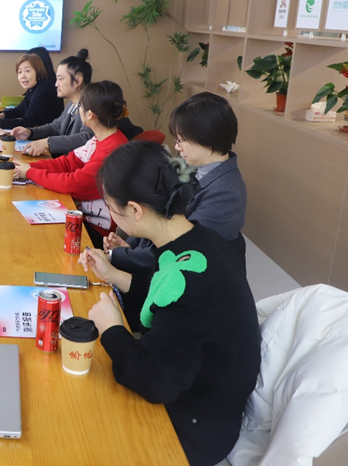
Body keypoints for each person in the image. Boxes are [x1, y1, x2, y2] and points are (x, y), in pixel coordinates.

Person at [80, 140, 261, 466]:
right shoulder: (197, 238)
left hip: (194, 427)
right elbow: (163, 295)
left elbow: (155, 381)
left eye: (110, 206)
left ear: (135, 210)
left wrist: (112, 329)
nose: (110, 213)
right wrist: (114, 275)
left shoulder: (191, 286)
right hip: (195, 388)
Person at [105, 92, 247, 274]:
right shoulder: (189, 167)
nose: (177, 147)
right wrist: (129, 247)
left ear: (205, 137)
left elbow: (180, 247)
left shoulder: (227, 194)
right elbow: (155, 214)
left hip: (192, 277)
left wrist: (119, 255)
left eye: (181, 140)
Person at [13, 80, 130, 243]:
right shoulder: (100, 139)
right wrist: (26, 167)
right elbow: (67, 163)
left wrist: (30, 173)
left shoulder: (113, 150)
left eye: (81, 106)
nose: (78, 109)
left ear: (90, 115)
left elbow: (74, 184)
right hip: (83, 217)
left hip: (98, 234)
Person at [10, 49, 94, 157]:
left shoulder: (91, 107)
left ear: (78, 81)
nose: (56, 84)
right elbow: (55, 127)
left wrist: (47, 143)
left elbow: (85, 137)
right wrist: (30, 132)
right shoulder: (72, 105)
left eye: (60, 79)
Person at [0, 52, 63, 130]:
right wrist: (1, 115)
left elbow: (28, 122)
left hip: (49, 136)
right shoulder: (33, 89)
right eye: (20, 72)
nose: (23, 76)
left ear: (38, 71)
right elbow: (19, 110)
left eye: (27, 71)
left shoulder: (44, 90)